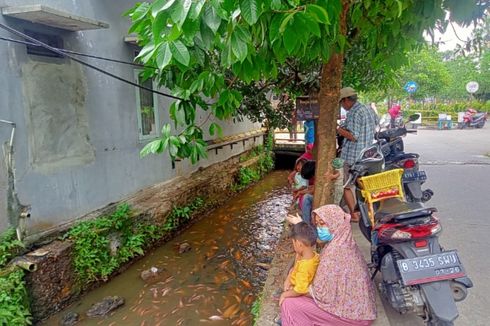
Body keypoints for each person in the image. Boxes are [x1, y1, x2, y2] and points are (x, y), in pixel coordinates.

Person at [280, 205, 377, 326]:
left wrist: (290, 292)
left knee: (289, 304)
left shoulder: (334, 253)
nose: (320, 228)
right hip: (360, 310)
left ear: (335, 223)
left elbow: (318, 294)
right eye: (318, 224)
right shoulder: (343, 240)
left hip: (353, 317)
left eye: (322, 224)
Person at [336, 87, 378, 221]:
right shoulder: (366, 109)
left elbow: (354, 136)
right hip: (366, 154)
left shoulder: (353, 112)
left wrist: (337, 129)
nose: (342, 105)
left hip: (353, 155)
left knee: (346, 186)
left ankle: (355, 214)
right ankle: (369, 212)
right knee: (363, 185)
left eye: (342, 102)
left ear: (347, 100)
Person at [279, 222, 320, 306]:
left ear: (299, 244)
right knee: (289, 272)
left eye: (293, 243)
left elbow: (300, 290)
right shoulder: (313, 255)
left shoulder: (305, 267)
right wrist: (289, 277)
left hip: (299, 289)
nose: (293, 245)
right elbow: (296, 263)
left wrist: (285, 295)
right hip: (297, 281)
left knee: (286, 301)